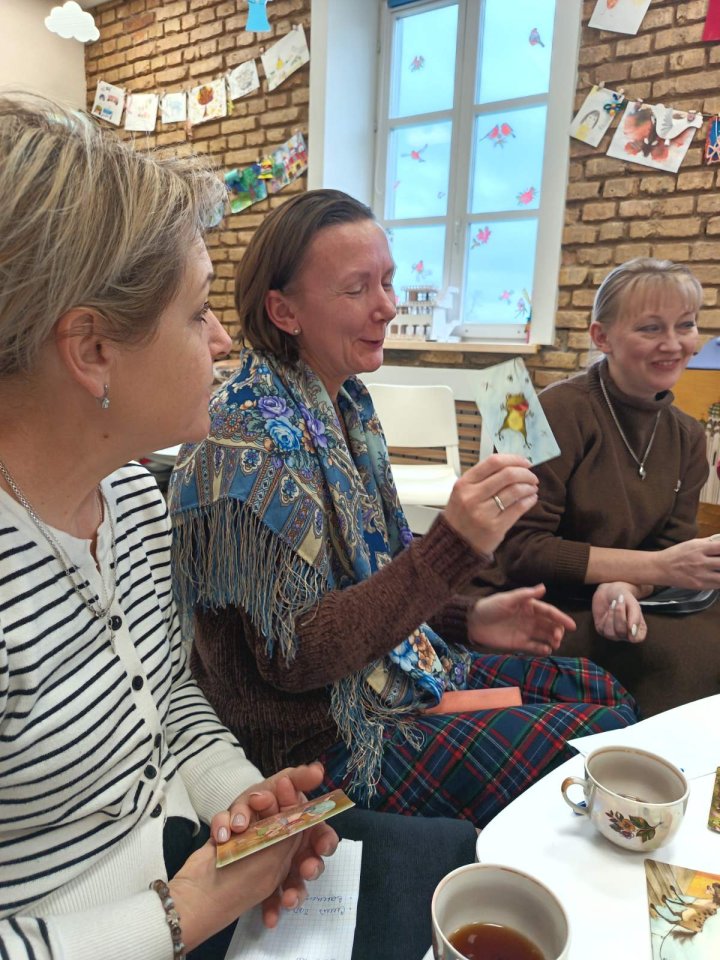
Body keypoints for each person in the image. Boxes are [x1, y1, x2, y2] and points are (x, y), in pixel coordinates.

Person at [0, 95, 478, 960]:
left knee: (459, 870)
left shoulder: (131, 498)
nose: (223, 339)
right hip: (116, 924)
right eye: (196, 312)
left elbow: (169, 697)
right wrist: (182, 913)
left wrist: (245, 805)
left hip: (185, 857)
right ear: (92, 350)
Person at [169, 188, 639, 829]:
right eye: (356, 288)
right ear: (284, 311)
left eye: (387, 282)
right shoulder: (246, 441)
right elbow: (294, 655)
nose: (387, 306)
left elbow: (369, 577)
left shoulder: (346, 405)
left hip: (379, 679)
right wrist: (451, 547)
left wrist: (468, 618)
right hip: (319, 739)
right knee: (606, 737)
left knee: (599, 689)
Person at [493, 257, 720, 717]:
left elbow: (669, 549)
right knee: (682, 659)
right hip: (531, 603)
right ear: (601, 337)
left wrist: (623, 585)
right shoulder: (541, 412)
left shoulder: (688, 435)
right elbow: (519, 551)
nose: (673, 343)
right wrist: (651, 567)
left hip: (623, 599)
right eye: (651, 328)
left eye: (686, 325)